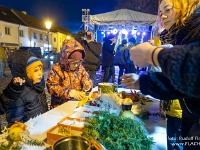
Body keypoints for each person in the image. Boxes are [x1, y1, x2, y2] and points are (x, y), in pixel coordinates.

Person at [121, 0, 200, 149]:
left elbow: (195, 67)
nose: (163, 16)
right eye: (160, 12)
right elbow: (179, 83)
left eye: (168, 9)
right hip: (191, 121)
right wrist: (141, 82)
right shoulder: (183, 37)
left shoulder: (196, 29)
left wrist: (154, 54)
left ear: (187, 6)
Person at [0, 54, 48, 127]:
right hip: (29, 132)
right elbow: (15, 120)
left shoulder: (39, 87)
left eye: (41, 69)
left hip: (41, 127)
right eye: (35, 71)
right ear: (27, 73)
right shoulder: (21, 93)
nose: (40, 73)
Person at [46, 39, 93, 108]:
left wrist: (87, 86)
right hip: (60, 107)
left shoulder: (80, 68)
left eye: (79, 62)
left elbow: (86, 79)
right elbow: (51, 87)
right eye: (73, 63)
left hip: (76, 104)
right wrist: (70, 93)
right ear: (66, 60)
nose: (76, 65)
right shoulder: (56, 69)